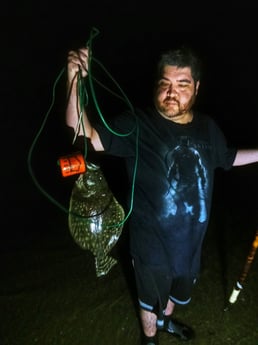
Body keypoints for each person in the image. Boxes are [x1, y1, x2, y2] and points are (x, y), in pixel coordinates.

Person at [65, 44, 258, 345]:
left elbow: (228, 157)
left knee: (178, 295)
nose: (171, 93)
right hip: (151, 247)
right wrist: (74, 78)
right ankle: (150, 338)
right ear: (156, 86)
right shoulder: (138, 125)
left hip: (191, 245)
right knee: (149, 300)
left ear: (196, 87)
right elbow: (83, 135)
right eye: (164, 84)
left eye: (182, 85)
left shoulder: (208, 128)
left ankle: (165, 322)